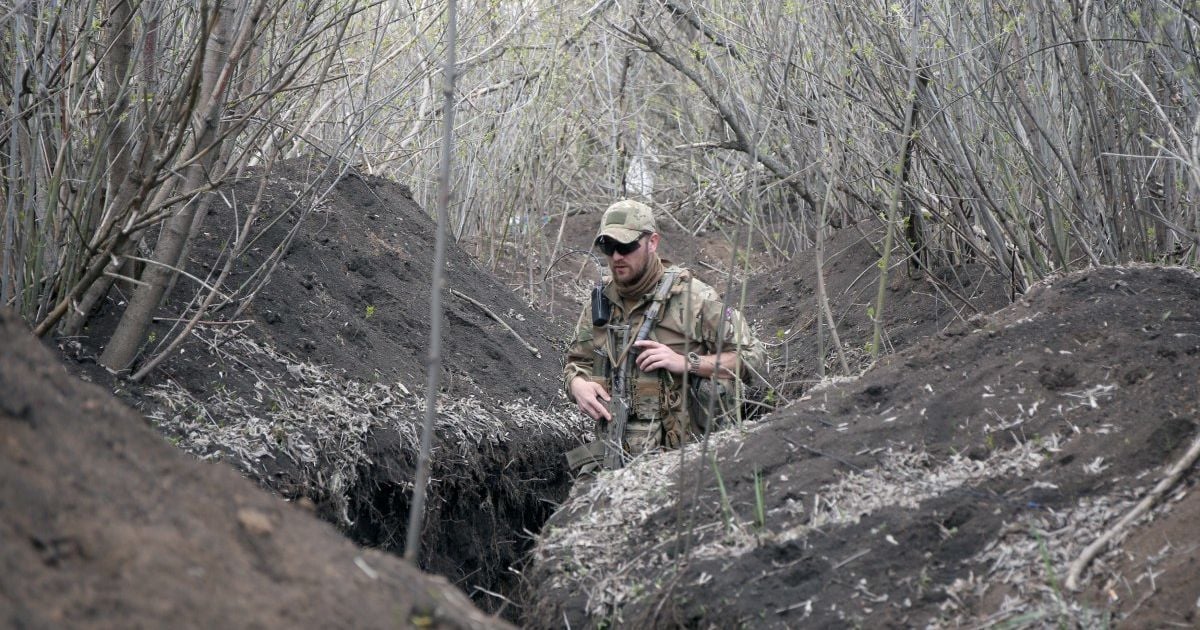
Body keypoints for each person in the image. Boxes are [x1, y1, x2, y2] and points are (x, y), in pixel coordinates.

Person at [563, 199, 765, 471]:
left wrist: (688, 363)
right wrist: (577, 385)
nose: (617, 257)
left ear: (652, 242)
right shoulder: (600, 305)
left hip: (686, 461)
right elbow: (577, 362)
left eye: (626, 246)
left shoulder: (696, 299)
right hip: (615, 451)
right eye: (608, 248)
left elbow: (755, 359)